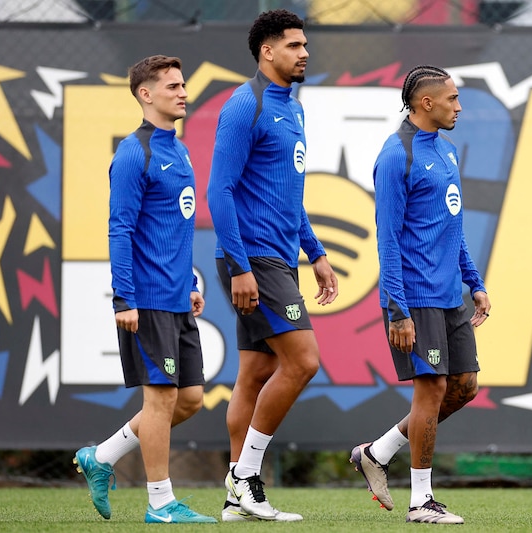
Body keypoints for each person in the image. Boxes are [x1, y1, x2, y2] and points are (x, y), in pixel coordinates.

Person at [207, 9, 338, 523]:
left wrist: (318, 254)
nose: (304, 52)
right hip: (254, 259)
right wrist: (240, 267)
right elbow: (220, 189)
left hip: (279, 257)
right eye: (294, 45)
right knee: (303, 361)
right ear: (267, 51)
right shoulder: (246, 105)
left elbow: (288, 196)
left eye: (305, 44)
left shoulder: (294, 108)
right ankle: (244, 479)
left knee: (257, 372)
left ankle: (232, 502)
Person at [73, 55, 216, 524]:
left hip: (178, 298)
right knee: (159, 400)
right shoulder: (135, 152)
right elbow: (120, 230)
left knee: (189, 399)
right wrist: (124, 299)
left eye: (183, 85)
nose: (183, 93)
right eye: (172, 86)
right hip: (147, 299)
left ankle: (102, 456)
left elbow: (173, 229)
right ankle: (160, 503)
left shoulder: (179, 150)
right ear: (145, 94)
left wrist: (191, 280)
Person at [350, 65, 491, 525]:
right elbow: (387, 239)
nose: (458, 105)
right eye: (451, 98)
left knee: (464, 388)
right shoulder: (397, 156)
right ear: (425, 103)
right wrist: (397, 309)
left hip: (451, 296)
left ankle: (378, 451)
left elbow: (453, 229)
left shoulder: (446, 151)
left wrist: (476, 283)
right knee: (429, 393)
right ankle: (421, 501)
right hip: (416, 297)